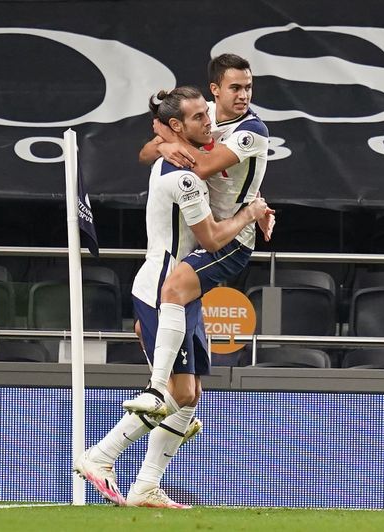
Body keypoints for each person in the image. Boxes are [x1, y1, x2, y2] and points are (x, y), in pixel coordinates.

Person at [74, 86, 272, 508]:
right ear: (180, 125)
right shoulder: (185, 177)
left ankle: (146, 485)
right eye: (200, 117)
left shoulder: (179, 154)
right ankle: (101, 456)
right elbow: (215, 240)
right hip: (165, 292)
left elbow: (151, 148)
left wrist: (164, 140)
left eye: (207, 114)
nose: (210, 122)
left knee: (189, 397)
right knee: (171, 397)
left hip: (183, 293)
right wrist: (249, 213)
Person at [123, 54, 272, 423]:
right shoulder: (201, 115)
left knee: (172, 289)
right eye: (235, 87)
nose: (243, 95)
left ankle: (154, 389)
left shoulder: (252, 130)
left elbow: (202, 166)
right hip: (209, 231)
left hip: (234, 238)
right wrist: (161, 145)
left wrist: (171, 142)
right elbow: (144, 154)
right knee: (188, 393)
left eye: (248, 87)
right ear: (215, 89)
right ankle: (143, 470)